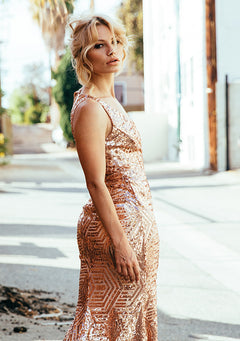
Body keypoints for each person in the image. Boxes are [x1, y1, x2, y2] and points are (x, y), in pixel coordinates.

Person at [63, 15, 160, 341]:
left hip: (134, 227)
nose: (112, 51)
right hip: (114, 230)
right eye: (99, 45)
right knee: (108, 326)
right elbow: (95, 183)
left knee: (124, 324)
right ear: (83, 56)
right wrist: (121, 244)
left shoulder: (109, 100)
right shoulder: (90, 106)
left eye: (116, 42)